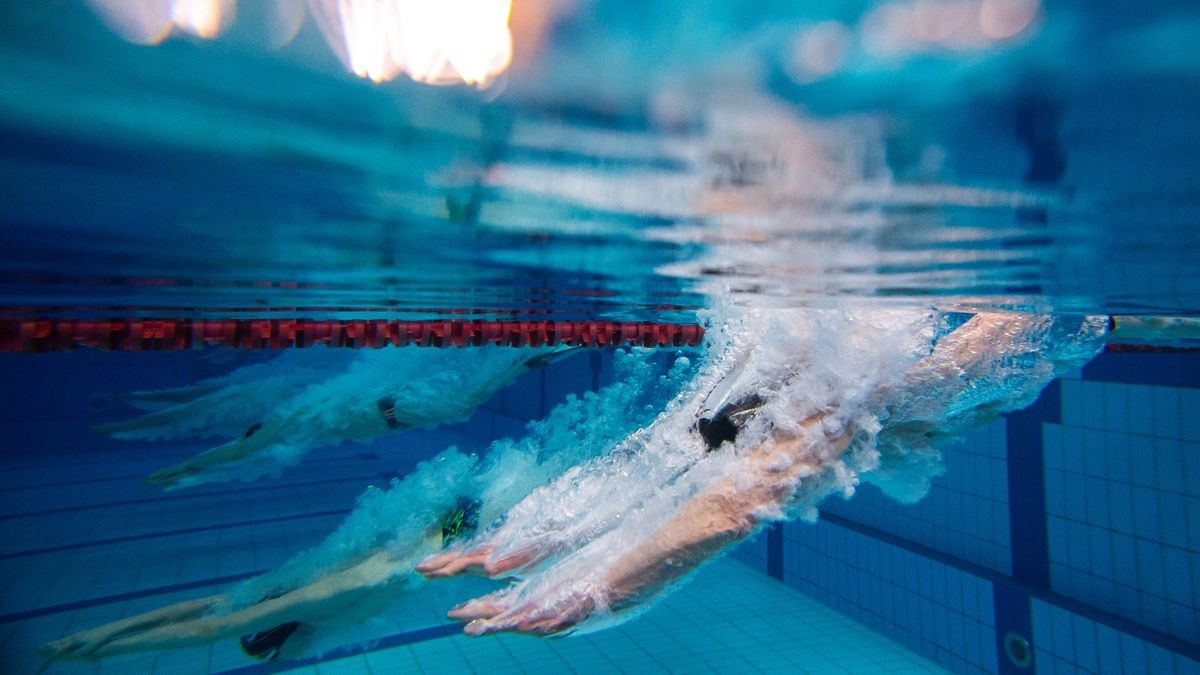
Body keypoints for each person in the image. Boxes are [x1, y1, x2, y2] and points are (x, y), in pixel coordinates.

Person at [419, 310, 1198, 636]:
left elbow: (735, 503)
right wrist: (544, 533)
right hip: (987, 360)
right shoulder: (795, 374)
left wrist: (606, 583)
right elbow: (684, 455)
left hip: (1003, 345)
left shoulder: (840, 383)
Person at [38, 349, 693, 665]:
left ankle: (670, 429)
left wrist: (96, 639)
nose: (263, 611)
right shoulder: (314, 596)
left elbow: (208, 619)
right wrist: (94, 639)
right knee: (552, 456)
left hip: (457, 528)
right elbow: (209, 618)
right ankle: (651, 417)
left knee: (572, 466)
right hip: (454, 524)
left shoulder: (313, 600)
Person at [96, 345, 580, 489]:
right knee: (475, 382)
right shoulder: (295, 423)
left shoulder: (293, 421)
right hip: (397, 405)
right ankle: (543, 351)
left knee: (473, 389)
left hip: (397, 405)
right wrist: (185, 469)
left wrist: (187, 469)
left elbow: (240, 447)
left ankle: (547, 350)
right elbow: (238, 444)